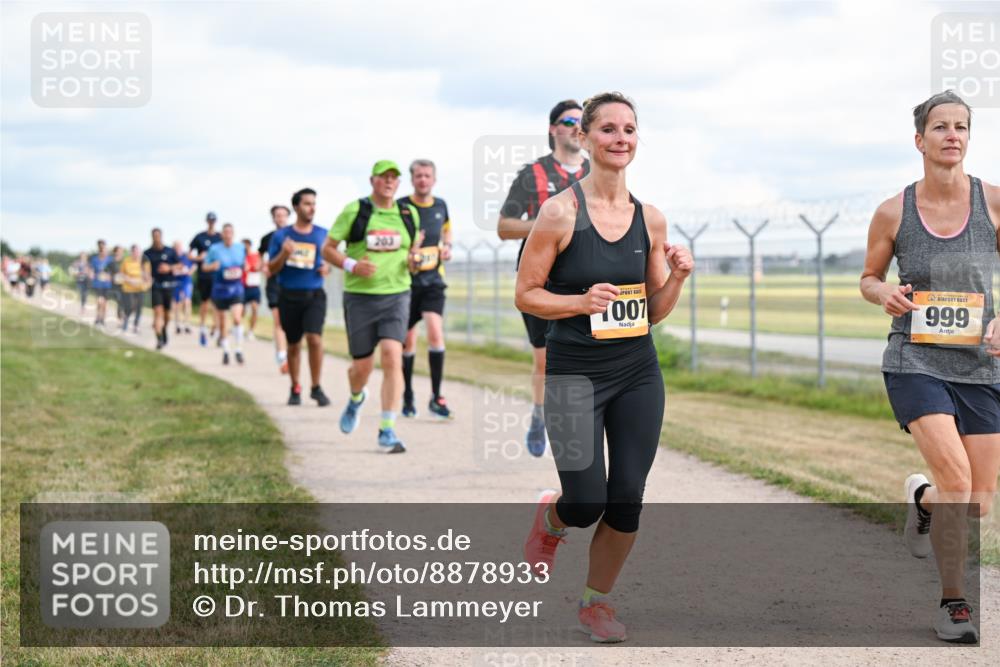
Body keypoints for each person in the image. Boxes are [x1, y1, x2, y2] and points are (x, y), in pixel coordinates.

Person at [515, 93, 693, 643]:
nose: (621, 137)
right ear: (587, 139)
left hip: (637, 369)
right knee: (586, 500)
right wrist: (578, 302)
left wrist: (678, 279)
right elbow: (526, 295)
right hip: (573, 373)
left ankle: (596, 603)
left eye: (630, 129)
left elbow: (654, 312)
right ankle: (553, 519)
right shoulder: (559, 212)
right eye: (609, 129)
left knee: (627, 495)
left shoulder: (651, 219)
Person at [860, 90, 1000, 644]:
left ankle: (921, 501)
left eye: (961, 126)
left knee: (977, 502)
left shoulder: (992, 203)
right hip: (915, 360)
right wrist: (883, 294)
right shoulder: (894, 210)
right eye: (940, 126)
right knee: (959, 480)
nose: (952, 135)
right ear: (920, 140)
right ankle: (954, 603)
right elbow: (869, 277)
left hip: (980, 365)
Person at [499, 99, 591, 456]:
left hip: (586, 276)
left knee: (588, 355)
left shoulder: (596, 172)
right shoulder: (533, 174)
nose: (575, 127)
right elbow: (505, 227)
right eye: (569, 121)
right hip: (540, 278)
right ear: (554, 128)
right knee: (546, 358)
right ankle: (540, 415)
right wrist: (545, 225)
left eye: (582, 122)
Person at [323, 160, 422, 453]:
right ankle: (356, 398)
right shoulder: (356, 211)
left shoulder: (408, 213)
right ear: (372, 181)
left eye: (394, 178)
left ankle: (387, 430)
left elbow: (410, 254)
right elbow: (327, 248)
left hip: (397, 295)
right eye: (384, 177)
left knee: (393, 355)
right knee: (361, 367)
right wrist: (352, 265)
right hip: (361, 298)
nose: (389, 182)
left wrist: (414, 262)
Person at [398, 159, 455, 419]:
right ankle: (407, 394)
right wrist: (411, 250)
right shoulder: (402, 207)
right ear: (412, 179)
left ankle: (436, 396)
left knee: (435, 332)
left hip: (433, 282)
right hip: (406, 283)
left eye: (427, 175)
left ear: (434, 179)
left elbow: (447, 230)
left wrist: (447, 247)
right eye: (418, 176)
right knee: (408, 341)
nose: (423, 180)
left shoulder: (441, 205)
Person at [268, 189, 331, 404]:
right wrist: (284, 254)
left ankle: (316, 387)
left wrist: (327, 268)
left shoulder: (322, 234)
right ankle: (295, 387)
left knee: (314, 339)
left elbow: (330, 259)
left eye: (314, 203)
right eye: (307, 204)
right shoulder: (281, 236)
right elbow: (272, 268)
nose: (311, 208)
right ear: (296, 207)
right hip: (289, 295)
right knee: (293, 345)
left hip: (314, 294)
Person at [204, 223, 247, 365]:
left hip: (236, 288)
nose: (228, 234)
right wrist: (212, 266)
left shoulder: (240, 248)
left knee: (237, 318)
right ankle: (226, 351)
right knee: (223, 323)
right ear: (222, 234)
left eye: (230, 232)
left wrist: (245, 267)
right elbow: (204, 266)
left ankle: (239, 350)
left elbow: (244, 264)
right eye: (225, 232)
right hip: (220, 289)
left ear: (233, 234)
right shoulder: (214, 249)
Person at [261, 205, 290, 373]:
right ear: (273, 218)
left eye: (283, 215)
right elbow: (259, 256)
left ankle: (287, 351)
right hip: (274, 283)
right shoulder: (268, 238)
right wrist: (263, 266)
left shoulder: (294, 235)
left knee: (290, 323)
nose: (280, 218)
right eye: (277, 215)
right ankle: (282, 356)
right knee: (278, 321)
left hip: (292, 283)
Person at [190, 212, 222, 346]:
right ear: (206, 221)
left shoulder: (220, 237)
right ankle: (202, 329)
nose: (211, 222)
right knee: (205, 303)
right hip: (204, 275)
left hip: (217, 274)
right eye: (209, 220)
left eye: (213, 220)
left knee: (217, 304)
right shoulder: (199, 237)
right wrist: (199, 258)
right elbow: (189, 255)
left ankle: (217, 328)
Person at [144, 228, 179, 350]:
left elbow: (180, 264)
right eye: (154, 236)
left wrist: (169, 268)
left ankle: (164, 330)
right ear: (152, 237)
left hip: (169, 286)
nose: (156, 238)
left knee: (167, 315)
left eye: (158, 236)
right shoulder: (147, 253)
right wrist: (146, 277)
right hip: (156, 286)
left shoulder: (170, 251)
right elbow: (143, 269)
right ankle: (159, 339)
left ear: (161, 236)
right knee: (158, 313)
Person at [118, 244, 146, 333]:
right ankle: (125, 321)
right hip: (128, 288)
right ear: (132, 252)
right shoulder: (126, 261)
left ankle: (136, 325)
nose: (137, 253)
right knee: (130, 306)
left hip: (140, 287)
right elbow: (121, 274)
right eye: (135, 252)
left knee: (139, 307)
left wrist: (142, 279)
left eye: (138, 252)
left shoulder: (144, 262)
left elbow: (147, 274)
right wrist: (129, 279)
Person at [88, 240, 114, 325]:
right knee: (100, 301)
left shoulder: (110, 260)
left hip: (106, 284)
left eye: (104, 248)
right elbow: (91, 270)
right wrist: (91, 275)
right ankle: (98, 317)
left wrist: (110, 276)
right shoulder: (95, 259)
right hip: (97, 283)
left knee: (104, 303)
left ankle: (102, 318)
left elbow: (113, 270)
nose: (102, 250)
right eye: (101, 249)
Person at [242, 238, 263, 338]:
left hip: (254, 286)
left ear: (249, 245)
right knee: (242, 311)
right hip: (243, 286)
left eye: (245, 246)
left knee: (255, 309)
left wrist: (257, 267)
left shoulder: (256, 256)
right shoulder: (241, 257)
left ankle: (251, 331)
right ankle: (238, 327)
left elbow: (260, 266)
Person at [172, 241, 194, 334]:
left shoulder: (186, 256)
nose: (178, 248)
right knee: (177, 304)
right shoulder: (172, 257)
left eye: (179, 246)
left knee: (187, 302)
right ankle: (178, 325)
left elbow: (193, 266)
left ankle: (187, 324)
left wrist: (190, 271)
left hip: (186, 282)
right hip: (176, 282)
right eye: (176, 247)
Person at [109, 245, 125, 324]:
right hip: (115, 285)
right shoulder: (112, 262)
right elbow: (107, 273)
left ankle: (123, 315)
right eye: (119, 251)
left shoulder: (125, 261)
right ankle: (120, 319)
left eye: (121, 251)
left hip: (125, 284)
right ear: (115, 252)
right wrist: (112, 277)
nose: (120, 253)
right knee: (120, 301)